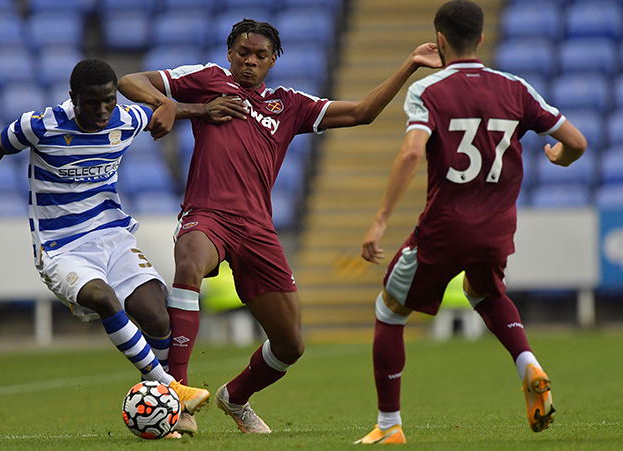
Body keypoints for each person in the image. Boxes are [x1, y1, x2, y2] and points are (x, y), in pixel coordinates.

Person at [117, 19, 441, 435]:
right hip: (208, 212)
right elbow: (130, 80)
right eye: (243, 54)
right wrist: (182, 108)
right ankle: (176, 389)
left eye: (260, 56)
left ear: (273, 60)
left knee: (291, 344)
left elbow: (362, 112)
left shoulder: (289, 104)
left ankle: (235, 396)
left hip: (257, 228)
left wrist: (411, 64)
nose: (250, 62)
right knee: (190, 262)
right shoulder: (207, 80)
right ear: (230, 54)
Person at [0, 59, 244, 434]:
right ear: (73, 98)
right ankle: (172, 390)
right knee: (105, 299)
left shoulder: (126, 118)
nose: (103, 111)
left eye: (108, 101)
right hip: (62, 247)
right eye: (92, 103)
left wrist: (203, 109)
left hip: (113, 237)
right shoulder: (41, 125)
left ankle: (167, 411)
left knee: (158, 317)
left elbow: (164, 111)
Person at [356, 0, 587, 444]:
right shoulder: (516, 87)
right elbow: (575, 141)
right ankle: (528, 364)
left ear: (439, 41)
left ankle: (389, 427)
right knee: (483, 291)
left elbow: (410, 152)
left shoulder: (429, 90)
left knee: (389, 309)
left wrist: (380, 222)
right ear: (480, 38)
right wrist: (560, 157)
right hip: (497, 228)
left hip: (445, 227)